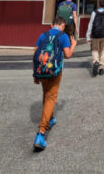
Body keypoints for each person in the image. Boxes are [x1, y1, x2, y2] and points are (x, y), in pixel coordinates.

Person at [32, 15, 76, 151]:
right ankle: (41, 133)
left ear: (52, 25)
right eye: (63, 26)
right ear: (62, 25)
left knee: (46, 94)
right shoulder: (63, 36)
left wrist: (35, 74)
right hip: (55, 72)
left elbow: (35, 53)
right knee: (51, 97)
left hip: (42, 70)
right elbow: (67, 55)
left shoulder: (43, 35)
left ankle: (50, 119)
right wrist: (73, 44)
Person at [86, 0, 104, 77]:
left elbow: (90, 24)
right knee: (103, 50)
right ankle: (101, 68)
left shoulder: (94, 13)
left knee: (94, 49)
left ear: (99, 4)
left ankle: (95, 62)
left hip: (95, 35)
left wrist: (88, 36)